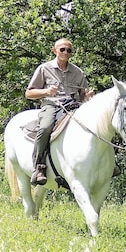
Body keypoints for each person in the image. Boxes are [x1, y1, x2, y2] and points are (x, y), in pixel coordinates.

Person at [25, 39, 94, 185]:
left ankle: (103, 163)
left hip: (74, 106)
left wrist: (87, 97)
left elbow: (83, 95)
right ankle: (38, 167)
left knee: (95, 124)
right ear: (54, 50)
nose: (66, 53)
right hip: (52, 105)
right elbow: (29, 93)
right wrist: (46, 91)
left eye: (69, 50)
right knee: (45, 127)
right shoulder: (44, 68)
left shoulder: (78, 72)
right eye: (62, 49)